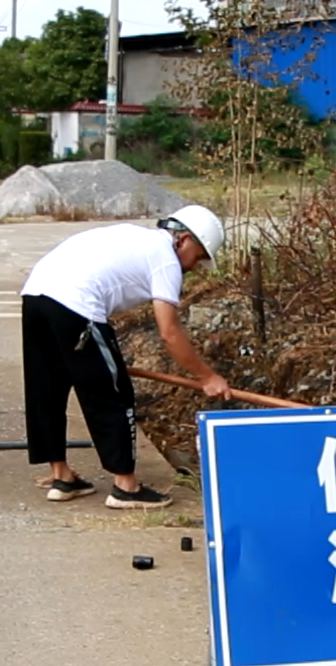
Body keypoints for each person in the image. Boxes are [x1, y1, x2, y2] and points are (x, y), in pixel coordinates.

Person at [20, 205, 232, 510]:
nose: (195, 266)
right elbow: (169, 333)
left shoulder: (138, 239)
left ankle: (62, 477)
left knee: (47, 388)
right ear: (184, 239)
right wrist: (207, 377)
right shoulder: (166, 260)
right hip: (75, 301)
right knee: (112, 392)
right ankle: (126, 487)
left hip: (37, 293)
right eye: (198, 257)